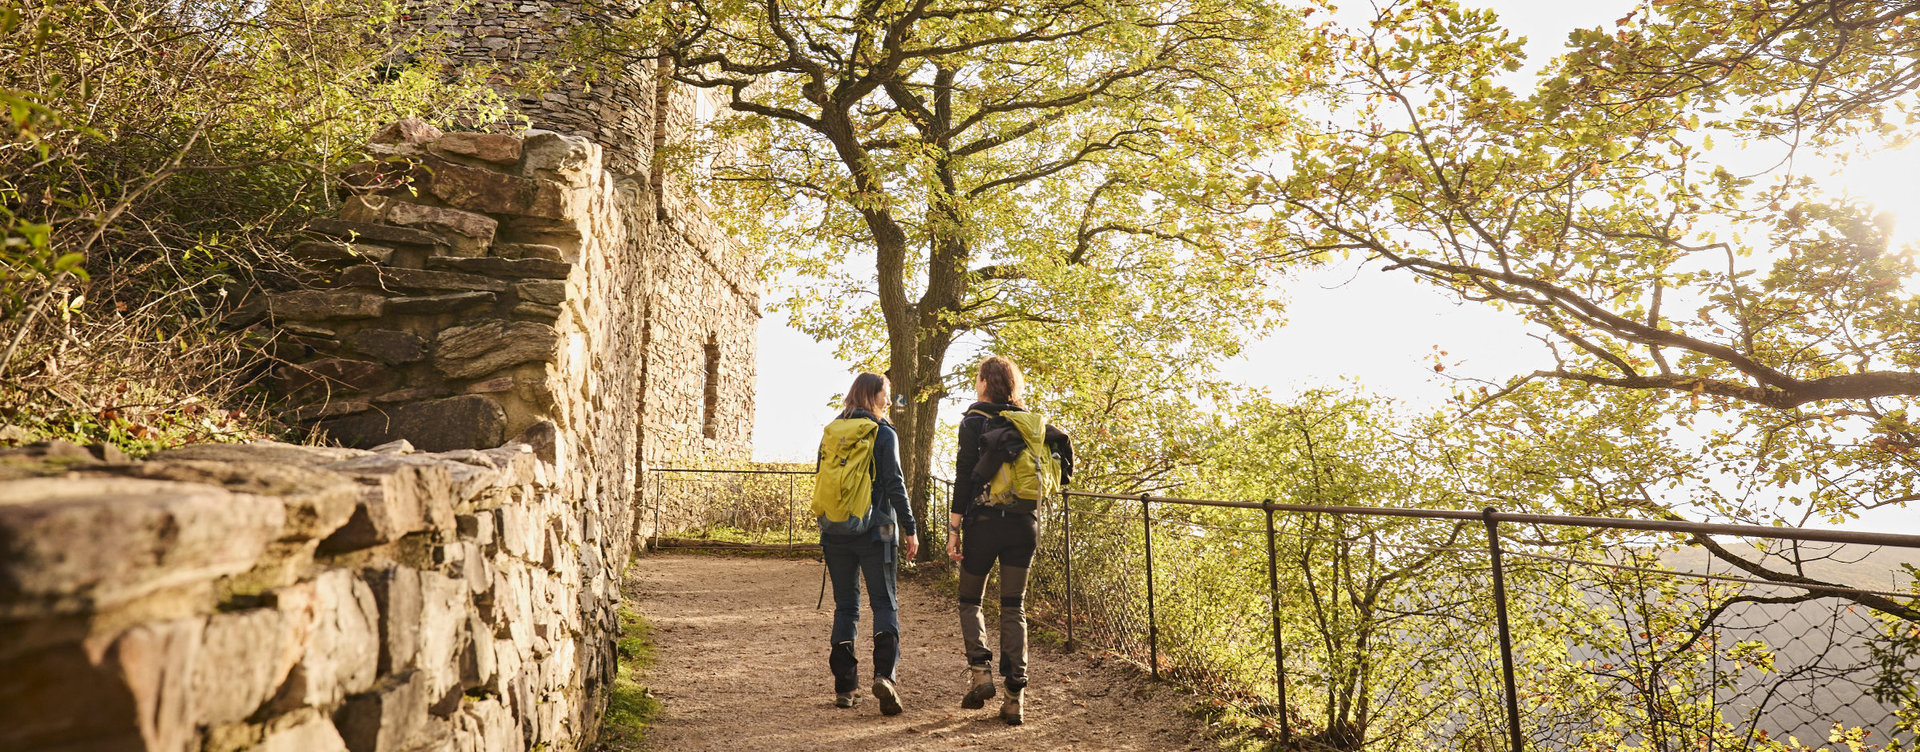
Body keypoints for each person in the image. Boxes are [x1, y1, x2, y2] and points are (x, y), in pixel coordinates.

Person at [944, 355, 1060, 726]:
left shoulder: (975, 420)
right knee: (1014, 606)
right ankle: (1015, 698)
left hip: (984, 524)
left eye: (977, 378)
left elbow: (964, 476)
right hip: (1025, 524)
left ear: (983, 382)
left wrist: (954, 528)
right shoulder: (1029, 424)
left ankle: (981, 674)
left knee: (969, 599)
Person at [818, 373, 919, 714]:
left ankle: (845, 688)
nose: (890, 402)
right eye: (886, 395)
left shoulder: (832, 431)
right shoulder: (883, 432)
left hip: (835, 530)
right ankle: (885, 677)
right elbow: (895, 484)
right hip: (881, 530)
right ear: (873, 396)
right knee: (884, 602)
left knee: (846, 606)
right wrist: (910, 528)